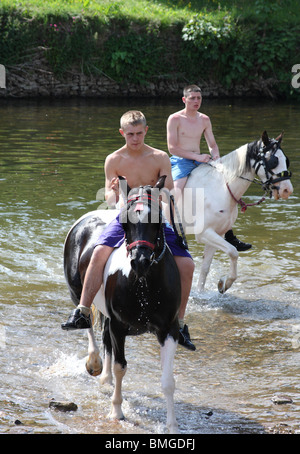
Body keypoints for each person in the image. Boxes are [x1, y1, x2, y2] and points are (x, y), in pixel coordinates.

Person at [62, 110, 196, 351]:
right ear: (122, 133)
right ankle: (82, 310)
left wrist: (155, 193)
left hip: (154, 215)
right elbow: (109, 198)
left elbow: (170, 193)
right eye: (130, 134)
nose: (135, 138)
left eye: (139, 133)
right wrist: (114, 190)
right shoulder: (114, 159)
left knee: (187, 265)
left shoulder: (159, 156)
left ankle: (180, 323)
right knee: (99, 253)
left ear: (146, 131)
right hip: (125, 215)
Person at [167, 84, 252, 251]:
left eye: (199, 98)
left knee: (225, 187)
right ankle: (170, 231)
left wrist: (217, 158)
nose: (196, 101)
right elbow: (172, 148)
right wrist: (197, 156)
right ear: (184, 100)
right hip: (181, 161)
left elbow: (212, 145)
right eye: (192, 98)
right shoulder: (174, 119)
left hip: (201, 161)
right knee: (175, 191)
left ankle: (229, 234)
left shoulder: (204, 119)